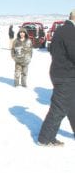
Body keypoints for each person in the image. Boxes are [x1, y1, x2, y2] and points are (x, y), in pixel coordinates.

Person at [38, 9, 75, 146]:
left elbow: (51, 50)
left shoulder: (60, 30)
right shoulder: (71, 32)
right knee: (59, 108)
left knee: (72, 105)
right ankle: (45, 138)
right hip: (66, 75)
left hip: (60, 72)